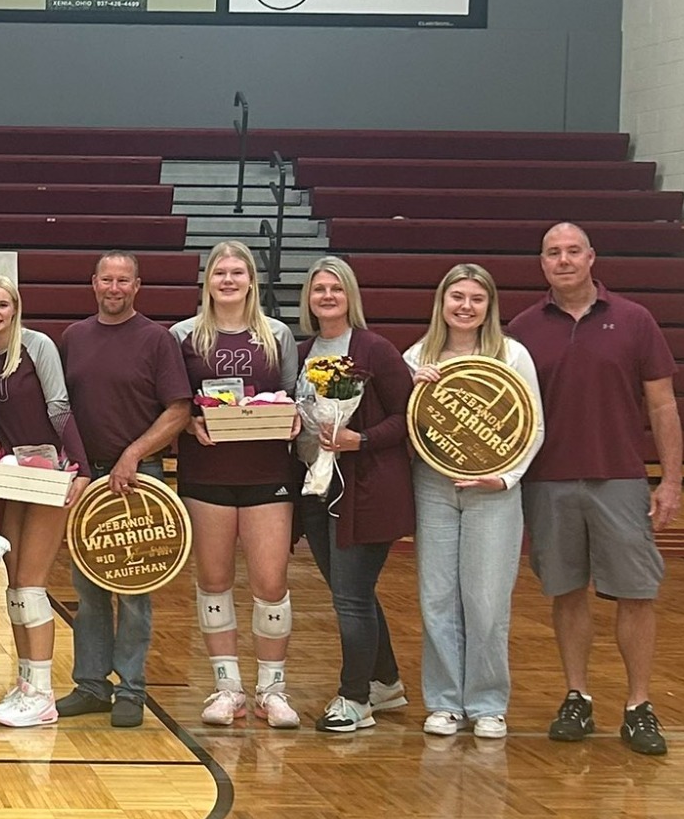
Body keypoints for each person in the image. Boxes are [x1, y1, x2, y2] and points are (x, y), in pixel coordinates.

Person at [509, 223, 681, 756]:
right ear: (542, 264)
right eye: (553, 253)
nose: (563, 260)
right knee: (566, 592)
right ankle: (577, 695)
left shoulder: (634, 320)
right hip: (547, 483)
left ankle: (638, 705)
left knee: (636, 592)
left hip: (621, 479)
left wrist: (671, 480)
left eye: (572, 251)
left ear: (591, 258)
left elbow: (663, 406)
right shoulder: (521, 329)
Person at [406, 263, 544, 740]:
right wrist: (413, 393)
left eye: (476, 299)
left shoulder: (513, 355)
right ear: (442, 303)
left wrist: (505, 478)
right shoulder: (416, 356)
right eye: (457, 297)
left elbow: (534, 426)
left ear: (489, 306)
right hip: (434, 485)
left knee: (486, 600)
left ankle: (488, 703)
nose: (465, 307)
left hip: (494, 491)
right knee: (437, 598)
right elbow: (406, 432)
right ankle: (443, 702)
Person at [56, 252, 191, 730]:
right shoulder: (73, 338)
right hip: (87, 479)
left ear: (138, 286)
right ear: (93, 283)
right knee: (87, 589)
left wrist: (132, 454)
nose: (114, 288)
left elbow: (178, 410)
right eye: (106, 280)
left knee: (134, 589)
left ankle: (131, 688)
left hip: (141, 479)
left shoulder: (157, 340)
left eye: (123, 281)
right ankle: (92, 685)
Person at [171, 240, 302, 729]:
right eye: (219, 272)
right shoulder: (183, 335)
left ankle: (273, 688)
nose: (228, 280)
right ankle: (227, 688)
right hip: (207, 477)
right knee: (215, 582)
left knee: (271, 583)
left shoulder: (277, 334)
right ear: (207, 280)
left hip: (268, 473)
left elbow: (293, 396)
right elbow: (174, 404)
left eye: (237, 272)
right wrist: (188, 425)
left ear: (252, 280)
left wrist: (295, 420)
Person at [294, 256, 416, 734]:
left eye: (336, 289)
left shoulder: (375, 349)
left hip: (365, 490)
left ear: (350, 297)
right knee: (352, 594)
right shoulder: (304, 350)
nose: (326, 296)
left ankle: (355, 699)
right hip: (315, 487)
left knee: (350, 598)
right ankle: (385, 682)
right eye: (319, 289)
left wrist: (358, 441)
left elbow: (407, 418)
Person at [0, 274, 83, 728]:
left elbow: (59, 407)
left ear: (15, 308)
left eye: (2, 304)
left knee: (33, 585)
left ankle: (43, 694)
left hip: (49, 477)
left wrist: (79, 466)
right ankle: (25, 681)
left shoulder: (38, 346)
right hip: (11, 478)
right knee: (15, 584)